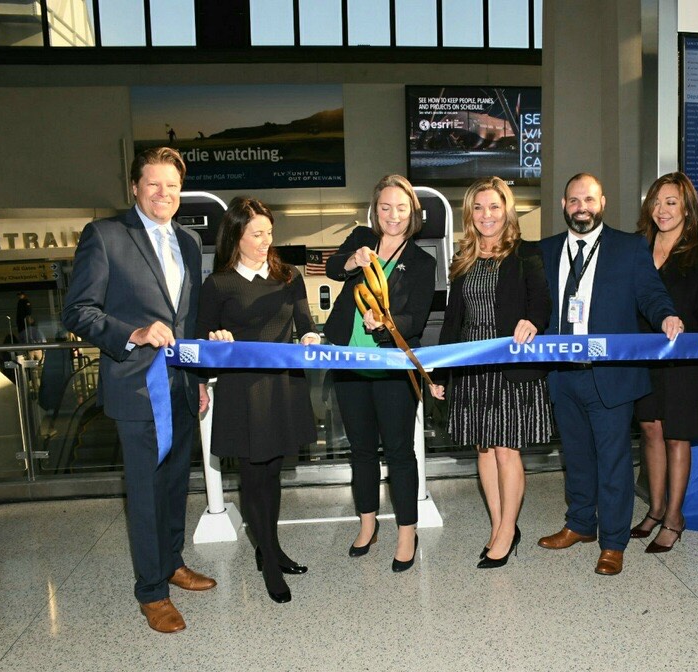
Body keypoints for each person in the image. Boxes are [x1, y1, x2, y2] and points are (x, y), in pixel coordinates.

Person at [61, 147, 215, 634]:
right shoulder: (105, 236)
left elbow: (187, 320)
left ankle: (171, 562)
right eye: (153, 184)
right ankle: (151, 591)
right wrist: (134, 332)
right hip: (136, 389)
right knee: (146, 491)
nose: (163, 194)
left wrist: (200, 379)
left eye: (172, 186)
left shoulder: (189, 242)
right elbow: (79, 311)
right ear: (134, 187)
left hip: (182, 387)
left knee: (174, 485)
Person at [536, 173, 682, 576]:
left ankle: (613, 542)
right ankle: (580, 524)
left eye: (589, 199)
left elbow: (650, 294)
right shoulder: (545, 251)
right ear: (564, 205)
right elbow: (534, 302)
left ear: (603, 203)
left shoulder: (629, 247)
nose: (581, 206)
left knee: (614, 459)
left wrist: (667, 314)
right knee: (577, 456)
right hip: (563, 375)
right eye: (574, 200)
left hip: (611, 374)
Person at [197, 196, 319, 604]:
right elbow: (201, 338)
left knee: (273, 473)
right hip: (242, 391)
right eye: (256, 234)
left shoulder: (289, 277)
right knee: (253, 476)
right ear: (236, 236)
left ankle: (272, 546)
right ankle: (267, 559)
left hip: (282, 386)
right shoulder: (218, 284)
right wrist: (215, 338)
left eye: (269, 232)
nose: (265, 240)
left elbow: (305, 324)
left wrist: (310, 337)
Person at [429, 177, 552, 569]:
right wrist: (439, 373)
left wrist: (532, 321)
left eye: (494, 207)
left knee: (506, 449)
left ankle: (505, 530)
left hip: (509, 363)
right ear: (470, 214)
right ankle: (502, 526)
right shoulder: (463, 260)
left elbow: (542, 304)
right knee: (484, 447)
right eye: (479, 208)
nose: (487, 215)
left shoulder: (526, 255)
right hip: (472, 364)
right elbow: (453, 322)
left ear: (507, 210)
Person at [325, 174, 435, 573]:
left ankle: (407, 531)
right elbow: (334, 269)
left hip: (391, 366)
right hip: (350, 363)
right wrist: (351, 260)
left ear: (413, 213)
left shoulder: (423, 262)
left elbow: (416, 318)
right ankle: (367, 522)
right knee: (361, 452)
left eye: (401, 208)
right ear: (375, 210)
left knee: (400, 452)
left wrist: (385, 324)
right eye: (385, 207)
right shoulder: (359, 238)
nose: (393, 215)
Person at [629, 172, 698, 553]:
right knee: (650, 430)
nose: (661, 210)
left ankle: (675, 516)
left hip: (684, 358)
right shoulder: (637, 247)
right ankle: (656, 508)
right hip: (643, 357)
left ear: (687, 209)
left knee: (677, 435)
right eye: (656, 202)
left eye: (671, 202)